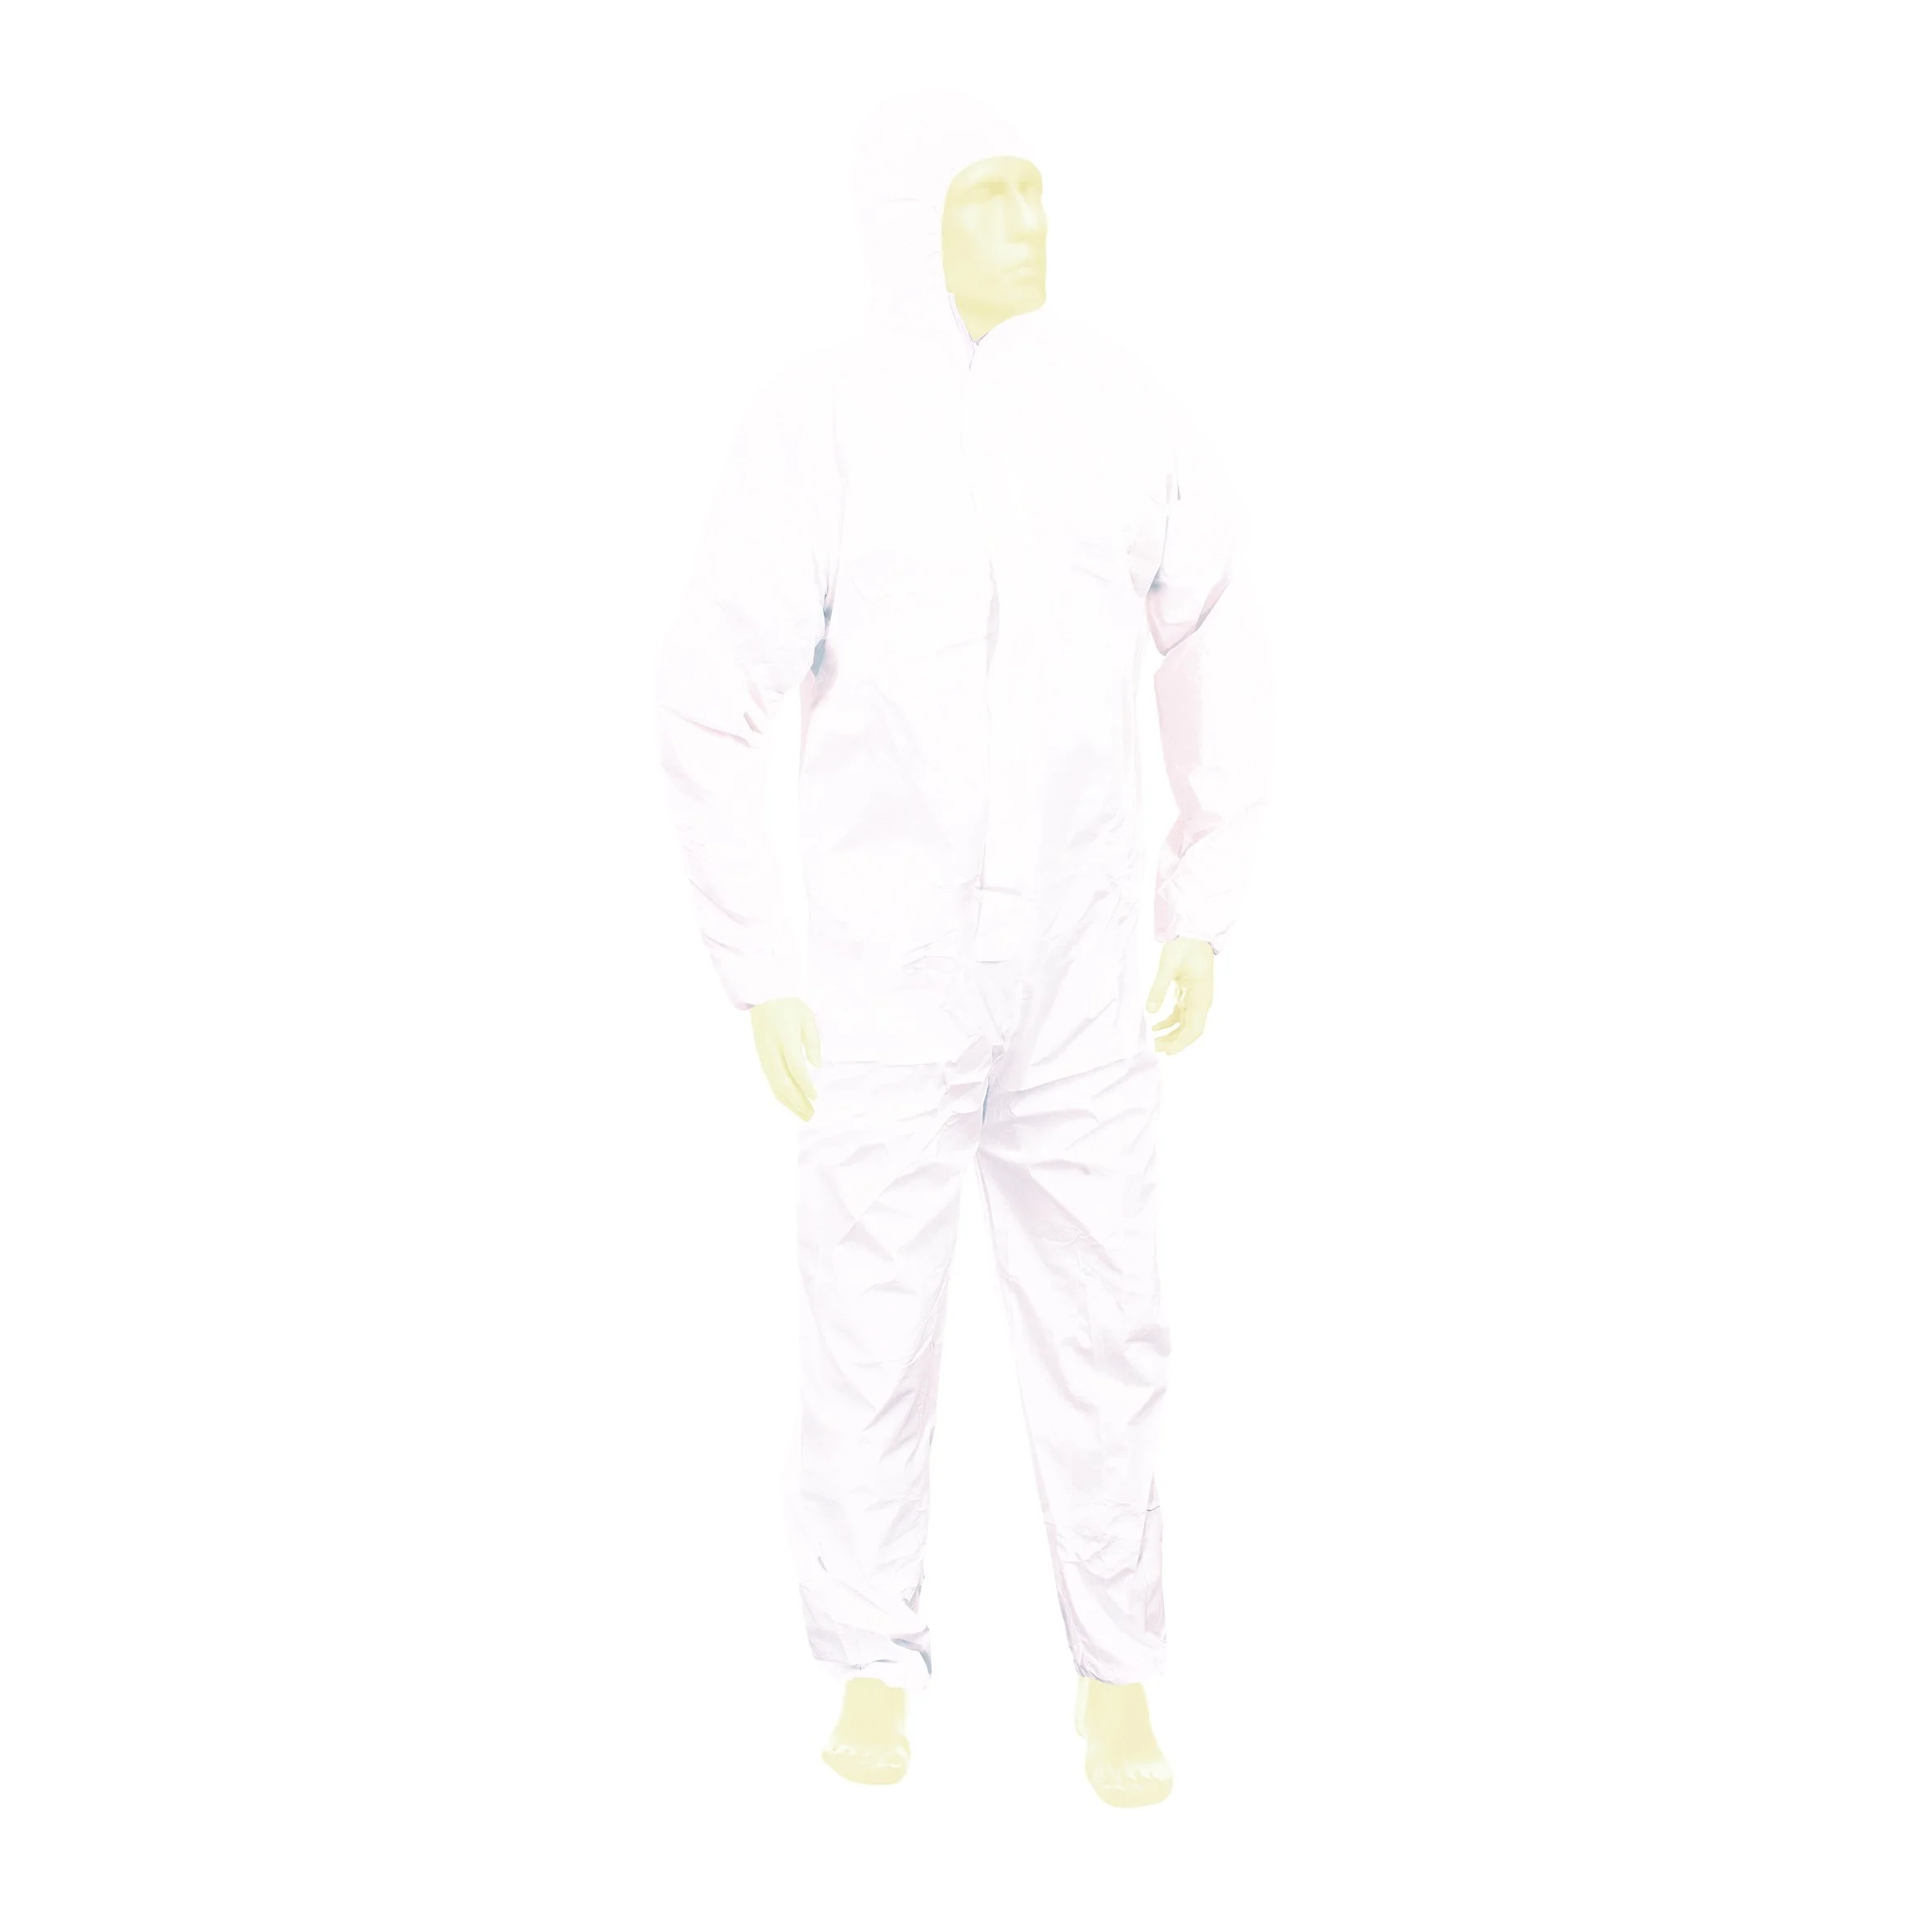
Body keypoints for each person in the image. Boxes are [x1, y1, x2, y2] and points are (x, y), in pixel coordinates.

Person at [657, 88, 1271, 1806]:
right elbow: (710, 694)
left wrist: (1200, 902)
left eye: (1033, 189)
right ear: (910, 215)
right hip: (883, 972)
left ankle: (1117, 1674)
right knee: (869, 1321)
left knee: (1107, 1325)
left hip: (1080, 965)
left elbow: (1212, 637)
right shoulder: (822, 424)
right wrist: (761, 959)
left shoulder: (1124, 413)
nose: (1026, 221)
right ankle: (869, 1660)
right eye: (986, 193)